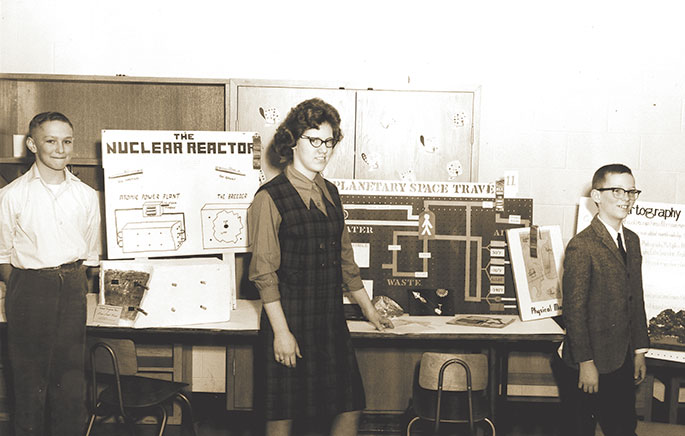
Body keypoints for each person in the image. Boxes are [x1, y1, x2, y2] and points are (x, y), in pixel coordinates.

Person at [248, 98, 393, 436]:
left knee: (350, 407)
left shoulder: (331, 192)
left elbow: (345, 260)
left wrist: (369, 311)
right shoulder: (268, 198)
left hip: (329, 322)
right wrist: (282, 334)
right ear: (292, 142)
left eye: (329, 141)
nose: (323, 149)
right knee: (282, 416)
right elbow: (264, 274)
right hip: (289, 321)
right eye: (314, 139)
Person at [0, 112, 101, 436]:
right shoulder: (13, 194)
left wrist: (70, 282)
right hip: (29, 287)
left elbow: (89, 254)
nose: (60, 149)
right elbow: (1, 254)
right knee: (30, 383)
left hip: (72, 286)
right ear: (32, 144)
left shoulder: (85, 195)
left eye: (67, 141)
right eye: (51, 140)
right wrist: (20, 285)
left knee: (71, 383)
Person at [556, 163, 649, 436]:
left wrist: (640, 351)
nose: (626, 198)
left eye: (631, 191)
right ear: (597, 196)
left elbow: (636, 299)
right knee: (580, 429)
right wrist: (586, 364)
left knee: (622, 428)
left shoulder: (631, 241)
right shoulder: (582, 245)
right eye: (617, 190)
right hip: (588, 362)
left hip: (621, 358)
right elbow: (574, 310)